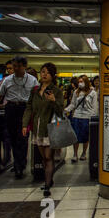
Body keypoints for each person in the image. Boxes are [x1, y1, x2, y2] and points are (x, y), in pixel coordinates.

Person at [22, 63, 64, 197]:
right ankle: (49, 179)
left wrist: (53, 100)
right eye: (42, 72)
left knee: (48, 156)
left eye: (47, 72)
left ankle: (47, 185)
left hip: (50, 128)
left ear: (52, 75)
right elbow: (29, 107)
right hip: (37, 128)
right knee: (43, 157)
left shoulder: (56, 91)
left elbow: (60, 111)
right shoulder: (35, 90)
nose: (44, 74)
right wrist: (24, 124)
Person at [0, 56, 39, 179]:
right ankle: (18, 163)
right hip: (11, 109)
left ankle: (20, 165)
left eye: (18, 66)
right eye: (13, 66)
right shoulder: (7, 80)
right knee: (12, 138)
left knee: (23, 137)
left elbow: (37, 97)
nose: (15, 69)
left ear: (24, 67)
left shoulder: (32, 80)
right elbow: (0, 95)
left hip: (25, 109)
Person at [65, 75, 97, 162]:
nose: (80, 83)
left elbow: (94, 107)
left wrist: (93, 117)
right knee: (76, 137)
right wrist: (66, 110)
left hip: (87, 117)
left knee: (85, 137)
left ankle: (83, 153)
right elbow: (73, 104)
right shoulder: (76, 92)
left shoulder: (93, 93)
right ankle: (75, 154)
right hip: (77, 116)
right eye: (79, 82)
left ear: (86, 82)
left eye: (82, 81)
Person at [0, 61, 13, 171]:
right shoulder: (4, 81)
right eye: (8, 68)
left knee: (7, 137)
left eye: (11, 68)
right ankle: (4, 159)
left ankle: (8, 158)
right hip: (3, 110)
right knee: (4, 136)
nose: (9, 70)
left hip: (12, 111)